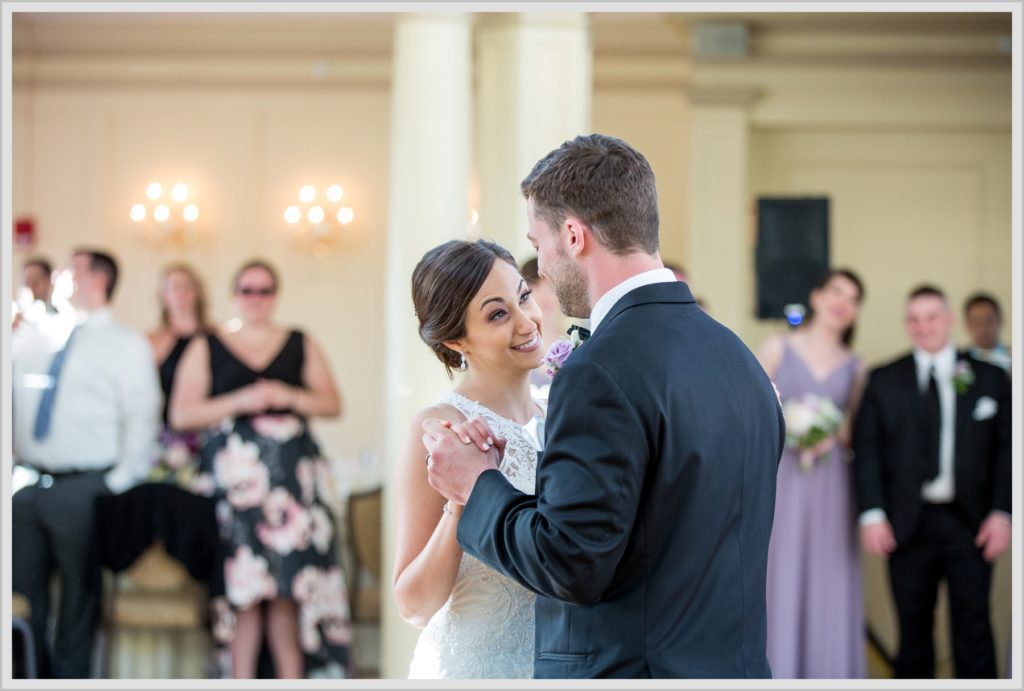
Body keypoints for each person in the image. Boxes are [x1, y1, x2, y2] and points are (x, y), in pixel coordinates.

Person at [423, 134, 784, 678]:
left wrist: (477, 487)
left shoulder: (598, 373)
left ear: (573, 235)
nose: (540, 267)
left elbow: (569, 563)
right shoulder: (737, 357)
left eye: (538, 243)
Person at [170, 259, 351, 679]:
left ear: (275, 295)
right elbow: (181, 414)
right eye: (248, 290)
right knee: (243, 597)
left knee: (287, 594)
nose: (256, 298)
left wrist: (288, 395)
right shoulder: (208, 344)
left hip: (292, 488)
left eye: (264, 290)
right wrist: (240, 401)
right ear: (235, 294)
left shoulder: (298, 341)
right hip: (237, 493)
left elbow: (332, 403)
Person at [393, 239, 546, 679]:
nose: (526, 322)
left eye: (523, 297)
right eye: (498, 314)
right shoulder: (438, 430)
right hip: (473, 669)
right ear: (456, 339)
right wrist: (463, 501)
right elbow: (414, 605)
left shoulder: (559, 417)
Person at [12, 248, 161, 678]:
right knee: (21, 602)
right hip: (28, 486)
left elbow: (142, 416)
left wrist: (116, 482)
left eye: (72, 269)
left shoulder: (126, 344)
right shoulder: (34, 338)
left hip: (86, 486)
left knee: (78, 603)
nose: (60, 275)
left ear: (99, 279)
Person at [853, 285, 1011, 678]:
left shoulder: (991, 378)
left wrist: (1002, 512)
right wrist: (872, 513)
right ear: (907, 324)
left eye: (932, 317)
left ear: (949, 320)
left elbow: (1008, 450)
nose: (923, 326)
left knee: (973, 625)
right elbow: (866, 450)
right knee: (913, 630)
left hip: (971, 523)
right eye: (914, 319)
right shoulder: (883, 379)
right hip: (907, 523)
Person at [756, 268, 868, 678]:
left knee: (829, 574)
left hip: (832, 483)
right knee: (779, 569)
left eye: (853, 298)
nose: (843, 302)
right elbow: (751, 407)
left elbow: (855, 430)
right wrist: (791, 425)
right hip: (783, 478)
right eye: (837, 291)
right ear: (817, 296)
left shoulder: (857, 367)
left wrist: (831, 434)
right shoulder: (779, 347)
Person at [146, 263, 209, 490]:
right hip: (164, 437)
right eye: (174, 287)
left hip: (207, 433)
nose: (181, 293)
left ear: (198, 293)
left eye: (187, 287)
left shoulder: (215, 339)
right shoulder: (150, 342)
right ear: (164, 296)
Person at [519, 256, 569, 391]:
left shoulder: (577, 344)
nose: (544, 295)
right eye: (535, 287)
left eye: (550, 286)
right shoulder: (515, 347)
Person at [963, 292, 1011, 374]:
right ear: (968, 326)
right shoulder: (961, 363)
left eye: (989, 320)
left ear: (1001, 320)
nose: (983, 327)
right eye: (976, 321)